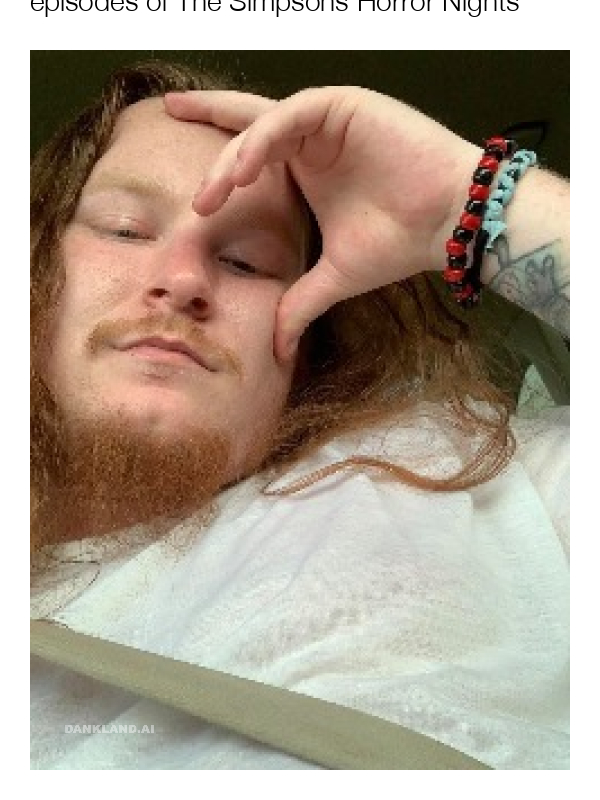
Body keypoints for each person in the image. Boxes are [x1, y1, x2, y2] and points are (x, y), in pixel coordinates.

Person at [30, 59, 569, 770]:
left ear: (307, 347)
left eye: (247, 262)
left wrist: (466, 204)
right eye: (125, 230)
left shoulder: (463, 474)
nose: (183, 279)